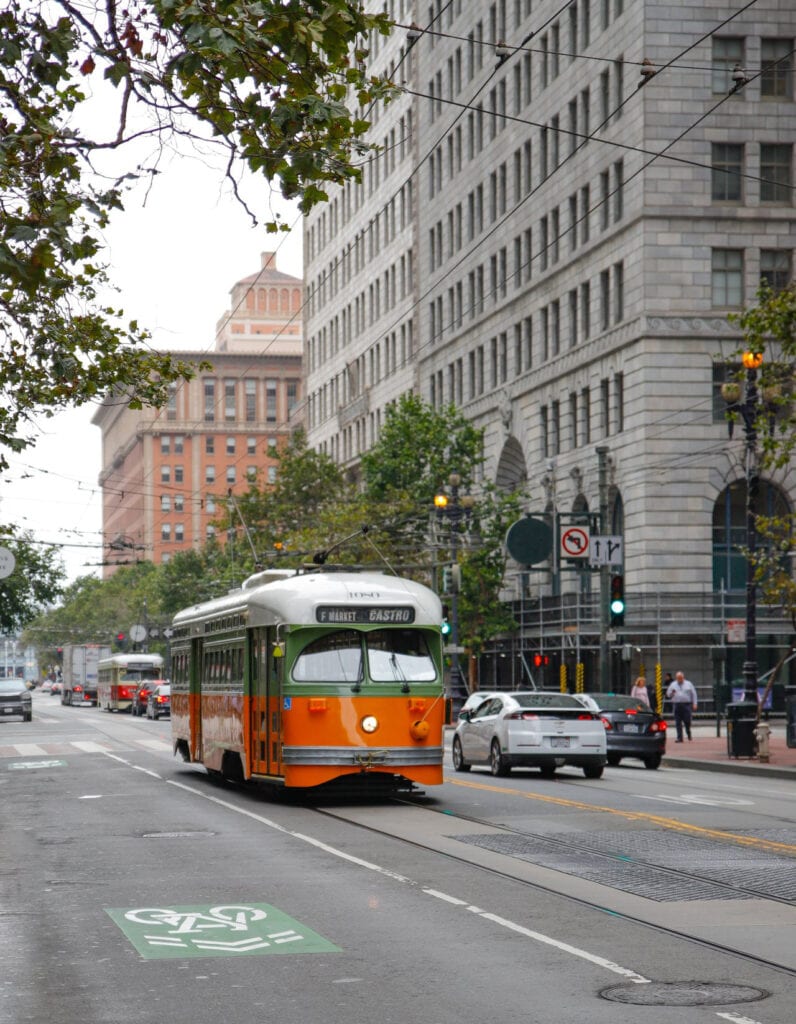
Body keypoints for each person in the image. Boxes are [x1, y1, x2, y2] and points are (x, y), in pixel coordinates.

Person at [666, 670, 698, 741]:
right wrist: (672, 693)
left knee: (687, 720)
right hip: (676, 705)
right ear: (676, 678)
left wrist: (695, 703)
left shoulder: (688, 684)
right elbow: (668, 694)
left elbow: (694, 694)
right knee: (678, 722)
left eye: (681, 678)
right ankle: (679, 738)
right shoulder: (673, 684)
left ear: (683, 677)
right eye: (678, 678)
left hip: (686, 705)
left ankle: (688, 731)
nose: (680, 679)